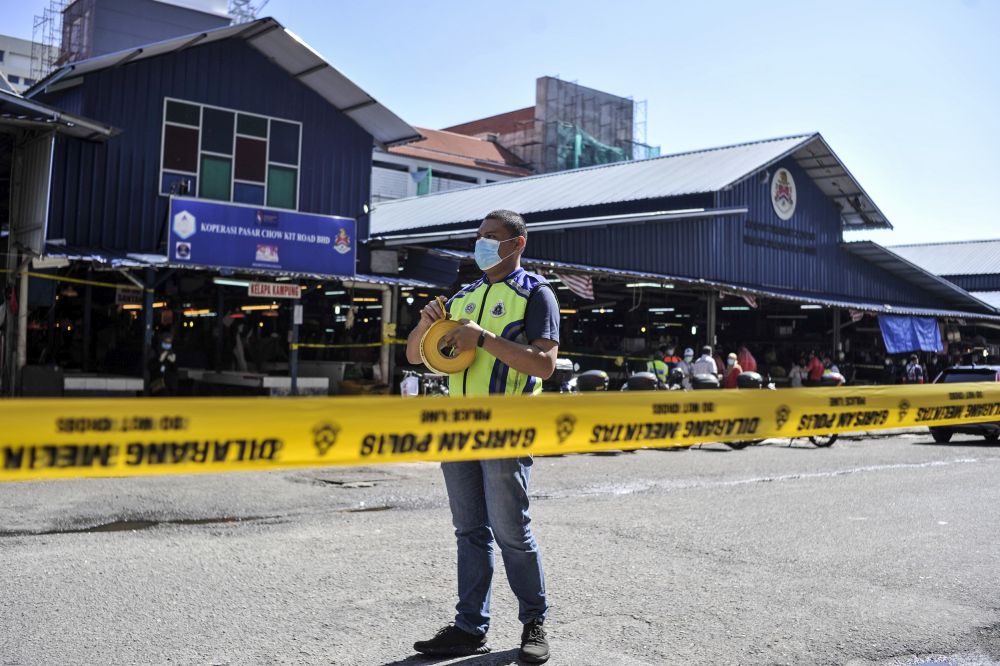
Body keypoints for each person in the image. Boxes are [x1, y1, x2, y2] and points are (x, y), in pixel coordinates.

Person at [406, 209, 557, 663]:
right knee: (469, 530)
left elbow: (545, 365)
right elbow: (417, 356)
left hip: (506, 429)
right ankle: (469, 628)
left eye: (492, 237)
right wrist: (425, 322)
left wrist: (484, 339)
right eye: (479, 237)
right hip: (458, 431)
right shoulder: (464, 296)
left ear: (518, 244)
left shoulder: (537, 294)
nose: (483, 244)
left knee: (512, 531)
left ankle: (534, 621)